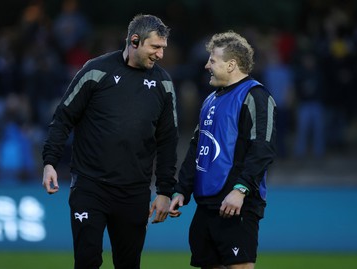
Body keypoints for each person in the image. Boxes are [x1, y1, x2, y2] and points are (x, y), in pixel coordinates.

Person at [42, 14, 178, 269]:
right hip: (90, 186)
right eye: (155, 47)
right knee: (87, 261)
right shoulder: (95, 71)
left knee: (128, 265)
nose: (160, 54)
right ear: (134, 41)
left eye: (163, 48)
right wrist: (49, 162)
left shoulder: (164, 83)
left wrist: (164, 191)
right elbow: (63, 118)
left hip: (134, 192)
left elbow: (168, 140)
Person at [169, 31, 277, 269]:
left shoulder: (255, 95)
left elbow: (263, 147)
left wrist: (241, 189)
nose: (206, 65)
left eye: (212, 60)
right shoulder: (210, 100)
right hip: (206, 205)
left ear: (231, 64)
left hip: (237, 203)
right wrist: (181, 190)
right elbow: (198, 148)